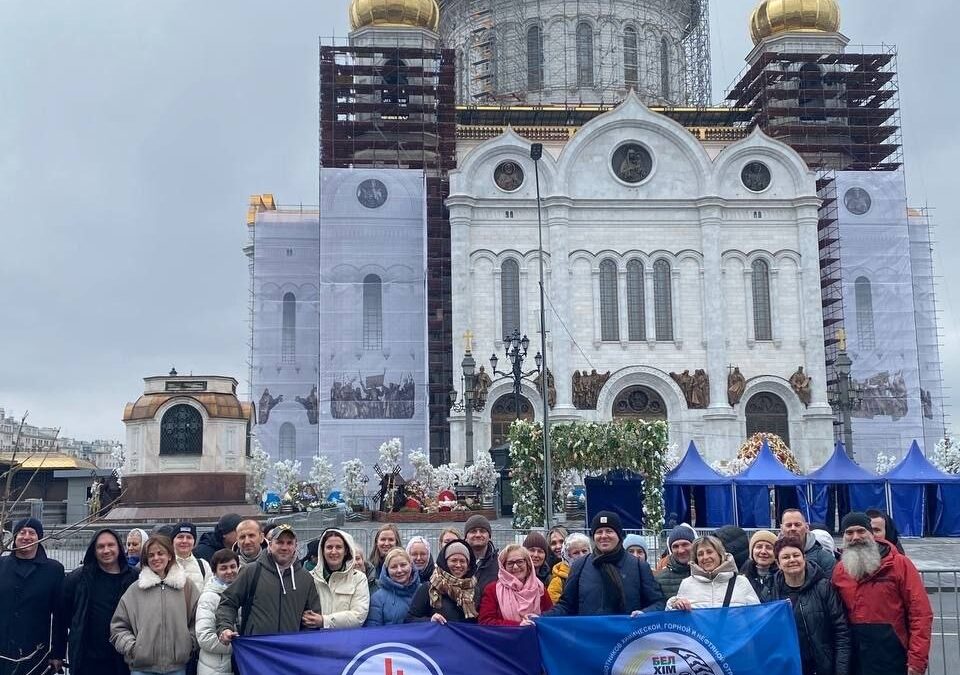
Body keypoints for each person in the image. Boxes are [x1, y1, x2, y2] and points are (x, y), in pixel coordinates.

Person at [832, 512, 932, 675]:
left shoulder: (899, 564)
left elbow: (920, 614)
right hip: (854, 659)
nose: (855, 537)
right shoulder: (840, 571)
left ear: (871, 534)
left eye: (861, 531)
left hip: (893, 657)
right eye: (849, 532)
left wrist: (917, 660)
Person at [546, 511, 665, 616]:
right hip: (590, 638)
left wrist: (645, 613)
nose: (604, 536)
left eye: (609, 531)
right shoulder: (580, 566)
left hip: (628, 637)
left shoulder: (639, 566)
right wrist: (542, 618)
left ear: (618, 535)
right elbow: (566, 605)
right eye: (599, 532)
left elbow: (658, 602)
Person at [110, 535, 198, 675]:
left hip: (177, 667)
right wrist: (133, 648)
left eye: (160, 553)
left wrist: (189, 643)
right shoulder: (135, 590)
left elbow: (197, 619)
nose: (156, 558)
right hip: (142, 669)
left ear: (169, 555)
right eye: (151, 555)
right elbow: (118, 626)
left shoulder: (186, 587)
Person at [216, 524, 322, 639]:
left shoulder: (305, 578)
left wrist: (301, 643)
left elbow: (312, 618)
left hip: (290, 651)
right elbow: (228, 602)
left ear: (296, 546)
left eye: (289, 543)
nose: (284, 547)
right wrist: (225, 628)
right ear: (270, 544)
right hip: (257, 649)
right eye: (280, 542)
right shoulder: (251, 571)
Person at [59, 528, 139, 675]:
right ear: (93, 550)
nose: (106, 550)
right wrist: (58, 653)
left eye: (111, 545)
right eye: (100, 546)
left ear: (119, 548)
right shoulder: (77, 579)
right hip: (88, 660)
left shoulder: (135, 577)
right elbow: (62, 619)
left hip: (123, 659)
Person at [772, 536, 850, 675]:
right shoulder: (772, 593)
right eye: (785, 557)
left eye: (796, 555)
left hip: (825, 668)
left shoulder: (824, 587)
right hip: (791, 669)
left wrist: (841, 671)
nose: (792, 560)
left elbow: (841, 632)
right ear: (778, 563)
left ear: (804, 557)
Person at [0, 518, 65, 675]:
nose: (26, 536)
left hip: (35, 650)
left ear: (40, 537)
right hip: (3, 647)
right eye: (22, 532)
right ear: (15, 537)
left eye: (32, 533)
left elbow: (60, 616)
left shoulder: (53, 570)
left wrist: (58, 652)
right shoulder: (1, 565)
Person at [666, 536, 759, 610]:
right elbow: (677, 623)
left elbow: (757, 617)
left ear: (720, 554)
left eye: (709, 552)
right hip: (699, 634)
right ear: (696, 559)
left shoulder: (741, 582)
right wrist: (674, 605)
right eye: (700, 554)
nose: (705, 557)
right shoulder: (687, 584)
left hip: (734, 634)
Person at [308, 528, 370, 629]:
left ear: (346, 550)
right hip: (317, 640)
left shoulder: (358, 578)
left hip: (346, 641)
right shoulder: (310, 578)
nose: (334, 551)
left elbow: (358, 616)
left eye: (339, 547)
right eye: (329, 547)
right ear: (322, 551)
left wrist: (324, 621)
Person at [406, 539, 478, 624]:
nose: (458, 565)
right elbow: (410, 619)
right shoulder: (428, 588)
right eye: (454, 560)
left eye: (462, 561)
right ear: (445, 562)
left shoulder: (475, 589)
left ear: (468, 565)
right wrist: (430, 620)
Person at [479, 545, 553, 626]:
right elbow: (485, 621)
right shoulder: (492, 590)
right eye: (510, 563)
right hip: (505, 638)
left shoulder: (539, 588)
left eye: (520, 561)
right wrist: (517, 625)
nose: (515, 567)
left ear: (528, 563)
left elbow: (550, 618)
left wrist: (540, 619)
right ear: (503, 567)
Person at [195, 549, 240, 675]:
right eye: (223, 568)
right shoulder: (209, 597)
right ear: (214, 571)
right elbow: (205, 637)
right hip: (215, 668)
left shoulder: (243, 593)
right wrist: (239, 645)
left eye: (233, 566)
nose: (229, 571)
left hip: (237, 664)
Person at [366, 548, 419, 626]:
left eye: (403, 565)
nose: (399, 570)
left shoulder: (423, 591)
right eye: (394, 567)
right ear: (387, 570)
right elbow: (373, 630)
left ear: (411, 565)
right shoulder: (377, 599)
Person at [781, 509, 836, 574]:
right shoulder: (773, 556)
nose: (793, 528)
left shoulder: (825, 559)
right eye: (789, 525)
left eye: (797, 525)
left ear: (807, 527)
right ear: (781, 529)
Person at [463, 514, 498, 606]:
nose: (478, 535)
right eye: (473, 531)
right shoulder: (457, 562)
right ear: (466, 536)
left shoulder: (500, 563)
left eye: (482, 531)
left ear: (489, 536)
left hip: (488, 615)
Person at [547, 532, 591, 604]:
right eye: (576, 553)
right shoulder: (558, 581)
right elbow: (556, 607)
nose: (581, 555)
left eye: (584, 551)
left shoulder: (598, 571)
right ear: (568, 556)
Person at [655, 523, 695, 600]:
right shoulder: (660, 580)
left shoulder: (706, 573)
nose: (681, 550)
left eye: (685, 544)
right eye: (675, 546)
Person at [173, 522, 213, 593]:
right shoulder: (166, 564)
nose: (184, 541)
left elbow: (209, 592)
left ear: (194, 542)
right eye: (180, 537)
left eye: (189, 537)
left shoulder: (203, 566)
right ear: (172, 541)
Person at [741, 530, 778, 603]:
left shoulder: (782, 577)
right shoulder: (742, 577)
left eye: (769, 548)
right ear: (752, 551)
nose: (763, 551)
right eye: (759, 547)